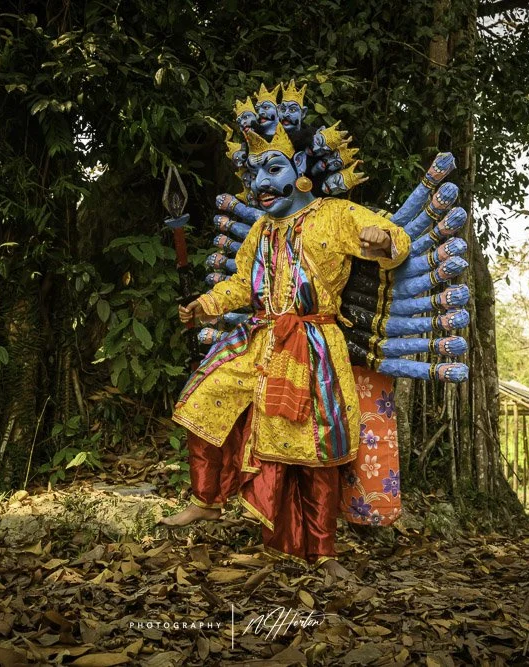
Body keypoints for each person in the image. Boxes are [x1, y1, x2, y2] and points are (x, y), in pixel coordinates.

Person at [160, 120, 411, 579]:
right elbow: (241, 283)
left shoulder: (337, 214)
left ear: (299, 168)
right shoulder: (260, 231)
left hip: (315, 346)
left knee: (314, 450)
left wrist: (384, 240)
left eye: (272, 169)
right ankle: (207, 500)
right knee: (202, 401)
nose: (260, 184)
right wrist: (207, 304)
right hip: (260, 340)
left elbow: (394, 239)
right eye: (254, 174)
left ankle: (322, 552)